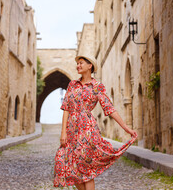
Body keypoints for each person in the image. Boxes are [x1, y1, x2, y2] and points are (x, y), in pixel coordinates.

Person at [53, 54, 137, 190]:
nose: (78, 66)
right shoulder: (72, 85)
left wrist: (126, 128)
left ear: (89, 66)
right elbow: (66, 108)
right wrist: (63, 132)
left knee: (86, 169)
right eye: (77, 63)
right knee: (67, 165)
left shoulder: (97, 86)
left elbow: (110, 109)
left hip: (88, 131)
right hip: (71, 130)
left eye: (81, 63)